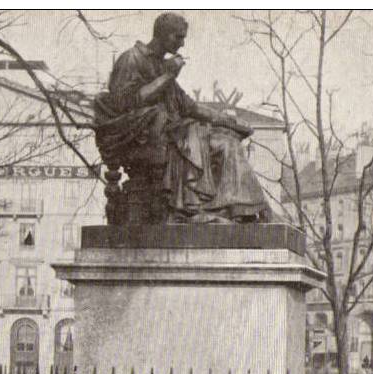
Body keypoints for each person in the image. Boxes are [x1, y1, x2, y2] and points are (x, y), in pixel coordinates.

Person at [94, 12, 271, 223]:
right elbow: (125, 102)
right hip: (143, 135)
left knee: (227, 142)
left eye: (183, 37)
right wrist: (168, 76)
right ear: (162, 35)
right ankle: (190, 209)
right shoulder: (132, 58)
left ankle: (242, 209)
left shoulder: (161, 65)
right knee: (191, 133)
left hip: (171, 133)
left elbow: (190, 106)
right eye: (178, 37)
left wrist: (231, 122)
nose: (182, 43)